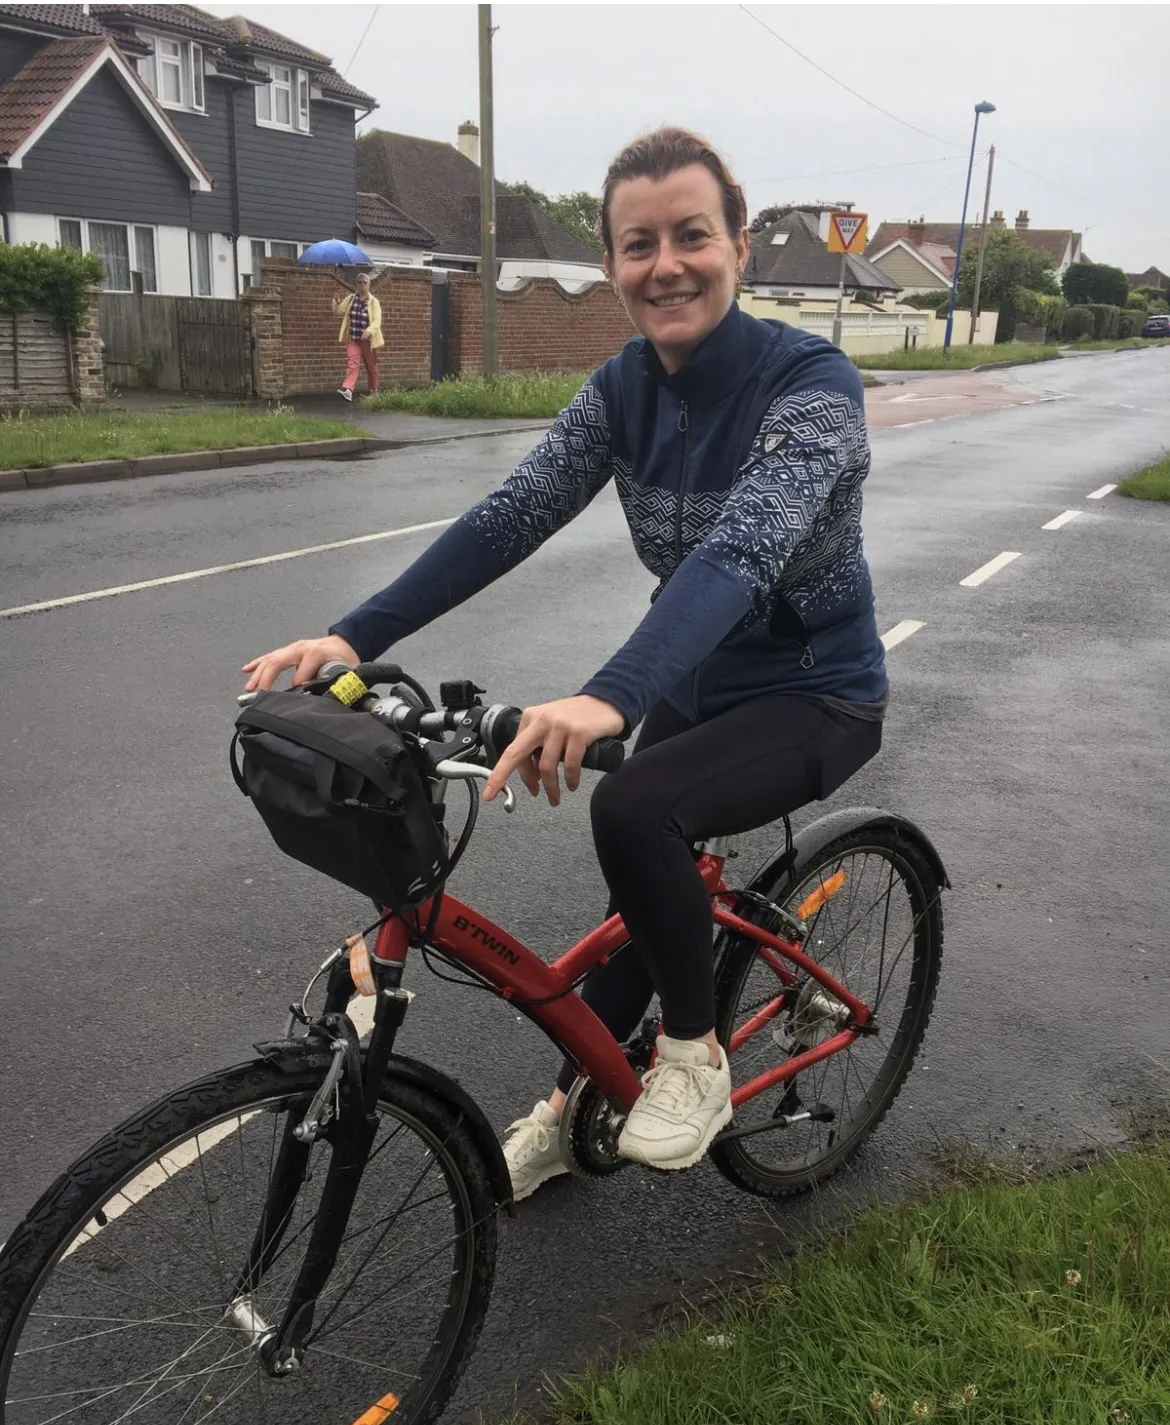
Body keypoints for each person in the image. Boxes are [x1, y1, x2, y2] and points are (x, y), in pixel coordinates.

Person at [243, 127, 888, 1202]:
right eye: (639, 244)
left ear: (738, 243)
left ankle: (694, 1058)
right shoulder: (625, 386)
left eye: (692, 235)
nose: (666, 263)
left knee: (634, 812)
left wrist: (606, 696)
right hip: (696, 687)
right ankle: (570, 1104)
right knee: (647, 885)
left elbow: (743, 550)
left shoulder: (811, 385)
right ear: (612, 267)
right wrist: (358, 635)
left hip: (816, 691)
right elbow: (511, 517)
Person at [332, 271, 382, 401]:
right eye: (359, 283)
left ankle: (374, 390)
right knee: (352, 363)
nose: (362, 285)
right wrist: (336, 302)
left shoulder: (373, 302)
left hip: (368, 340)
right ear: (356, 284)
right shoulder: (351, 299)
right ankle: (348, 389)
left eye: (365, 283)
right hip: (353, 338)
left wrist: (369, 331)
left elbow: (377, 320)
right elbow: (338, 311)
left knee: (370, 365)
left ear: (369, 284)